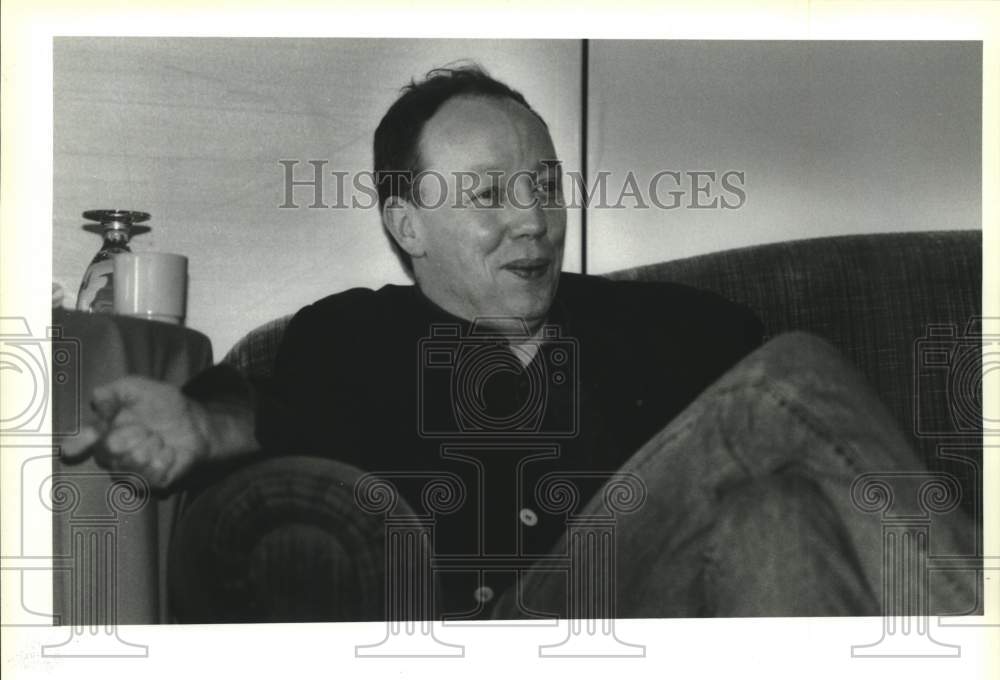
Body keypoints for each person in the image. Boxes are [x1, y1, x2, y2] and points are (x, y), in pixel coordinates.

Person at [63, 65, 977, 623]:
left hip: (670, 633)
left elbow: (827, 445)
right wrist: (197, 425)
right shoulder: (353, 336)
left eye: (544, 185)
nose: (533, 221)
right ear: (407, 224)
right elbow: (260, 415)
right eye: (488, 194)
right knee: (795, 375)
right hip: (515, 639)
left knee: (769, 520)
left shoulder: (669, 328)